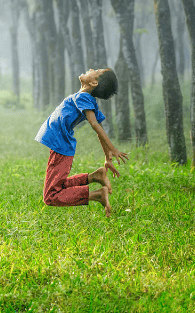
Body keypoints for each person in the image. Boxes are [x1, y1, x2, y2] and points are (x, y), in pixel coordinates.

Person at [35, 68, 128, 217]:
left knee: (51, 196)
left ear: (93, 82)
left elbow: (95, 125)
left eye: (96, 71)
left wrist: (112, 148)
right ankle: (95, 177)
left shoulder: (84, 97)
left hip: (61, 146)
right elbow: (99, 128)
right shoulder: (85, 98)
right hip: (60, 145)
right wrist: (107, 158)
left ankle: (97, 195)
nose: (91, 69)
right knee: (59, 185)